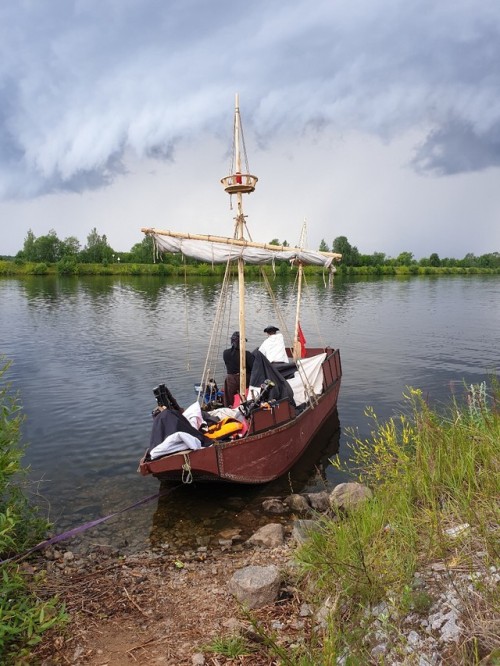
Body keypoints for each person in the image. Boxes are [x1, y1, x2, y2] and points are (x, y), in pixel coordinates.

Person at [222, 331, 254, 407]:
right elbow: (254, 367)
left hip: (231, 379)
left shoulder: (225, 353)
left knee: (229, 397)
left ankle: (229, 407)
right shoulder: (246, 354)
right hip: (245, 378)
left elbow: (229, 364)